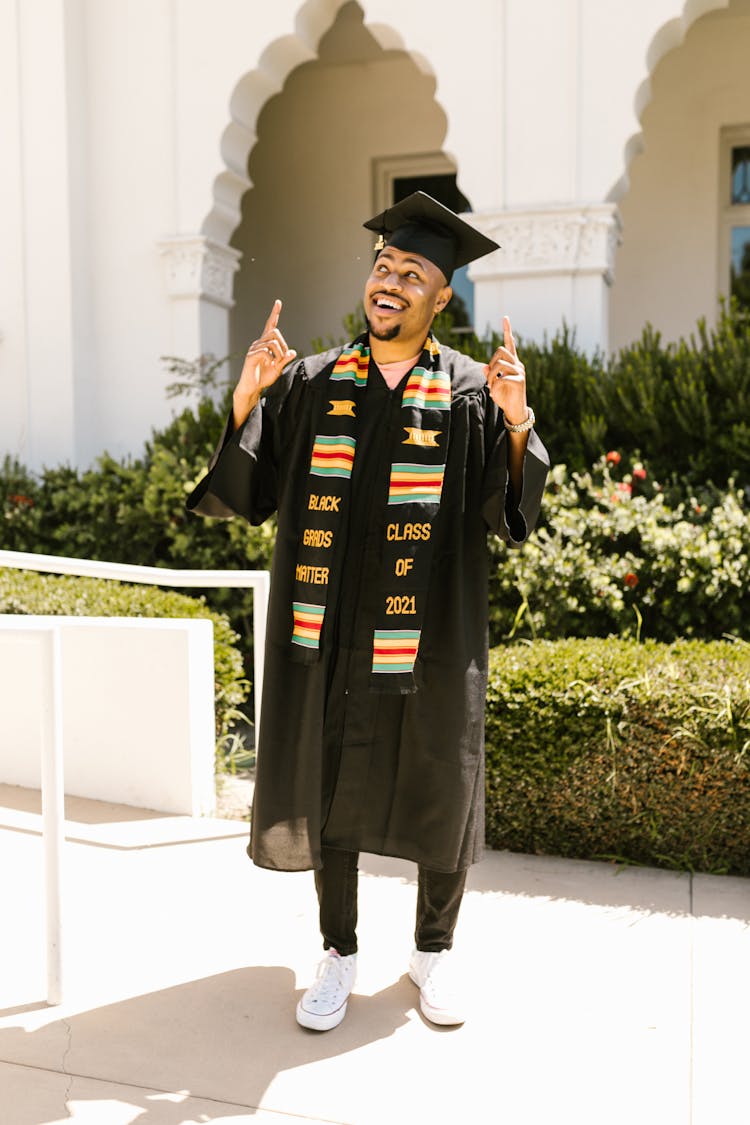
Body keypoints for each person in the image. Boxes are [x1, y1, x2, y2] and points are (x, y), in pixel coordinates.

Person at [187, 192, 549, 1030]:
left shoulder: (468, 391)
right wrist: (247, 398)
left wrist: (517, 419)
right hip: (330, 630)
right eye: (383, 267)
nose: (389, 282)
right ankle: (339, 952)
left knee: (439, 781)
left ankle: (432, 952)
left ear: (439, 298)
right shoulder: (314, 383)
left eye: (411, 273)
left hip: (430, 634)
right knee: (332, 778)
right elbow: (254, 490)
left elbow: (509, 513)